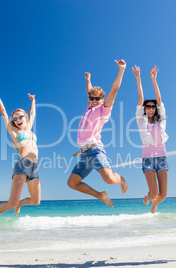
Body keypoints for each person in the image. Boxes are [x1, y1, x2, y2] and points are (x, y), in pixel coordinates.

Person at [67, 60, 128, 208]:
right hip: (84, 154)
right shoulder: (89, 108)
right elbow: (89, 91)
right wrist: (88, 80)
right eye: (92, 98)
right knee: (72, 183)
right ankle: (100, 195)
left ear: (102, 99)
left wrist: (121, 70)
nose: (94, 101)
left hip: (95, 150)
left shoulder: (103, 110)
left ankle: (121, 179)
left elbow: (114, 90)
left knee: (109, 179)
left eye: (97, 99)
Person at [0, 85, 40, 233]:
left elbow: (32, 114)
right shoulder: (14, 131)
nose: (18, 119)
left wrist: (33, 101)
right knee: (11, 203)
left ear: (25, 119)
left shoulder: (30, 129)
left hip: (35, 167)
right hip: (22, 165)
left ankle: (21, 204)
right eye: (15, 118)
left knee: (36, 201)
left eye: (21, 117)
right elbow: (3, 112)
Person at [132, 65, 169, 213]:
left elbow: (159, 99)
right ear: (144, 108)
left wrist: (154, 80)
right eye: (148, 106)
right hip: (147, 158)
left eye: (153, 106)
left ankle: (155, 204)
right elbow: (140, 98)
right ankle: (147, 199)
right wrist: (139, 78)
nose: (150, 108)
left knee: (163, 195)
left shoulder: (161, 121)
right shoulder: (140, 120)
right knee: (153, 193)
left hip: (162, 158)